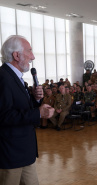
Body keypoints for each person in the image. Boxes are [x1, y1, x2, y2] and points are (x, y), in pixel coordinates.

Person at [0, 35, 54, 184]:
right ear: (16, 55)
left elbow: (20, 107)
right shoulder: (3, 78)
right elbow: (4, 116)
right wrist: (38, 113)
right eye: (29, 51)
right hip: (11, 154)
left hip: (25, 152)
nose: (33, 56)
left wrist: (35, 99)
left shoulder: (15, 77)